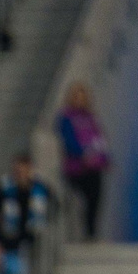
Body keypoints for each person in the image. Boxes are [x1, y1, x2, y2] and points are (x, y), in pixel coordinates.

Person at [55, 83, 109, 240]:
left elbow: (99, 140)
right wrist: (83, 154)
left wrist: (103, 157)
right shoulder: (65, 117)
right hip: (76, 168)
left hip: (93, 167)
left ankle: (91, 233)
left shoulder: (91, 118)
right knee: (78, 202)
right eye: (76, 97)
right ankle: (78, 234)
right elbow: (68, 141)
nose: (79, 100)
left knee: (95, 199)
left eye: (82, 97)